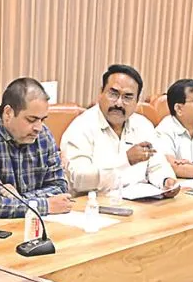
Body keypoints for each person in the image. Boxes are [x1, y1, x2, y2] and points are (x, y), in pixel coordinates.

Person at [0, 77, 72, 219]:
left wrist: (18, 198)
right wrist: (45, 205)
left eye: (42, 119)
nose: (38, 127)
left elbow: (60, 187)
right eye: (31, 120)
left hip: (30, 224)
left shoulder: (42, 135)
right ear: (8, 113)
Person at [60, 64, 177, 195]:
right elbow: (78, 179)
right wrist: (126, 160)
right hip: (92, 206)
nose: (118, 103)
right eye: (113, 94)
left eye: (127, 97)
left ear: (137, 101)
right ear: (101, 93)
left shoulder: (143, 125)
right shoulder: (81, 127)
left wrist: (166, 181)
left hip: (138, 205)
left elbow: (157, 165)